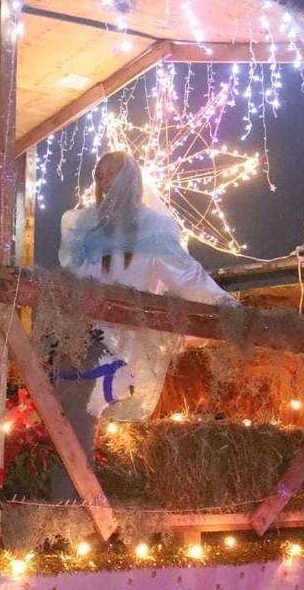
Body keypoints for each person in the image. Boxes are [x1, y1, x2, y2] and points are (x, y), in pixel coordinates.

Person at [54, 151, 234, 494]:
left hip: (130, 339)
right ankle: (73, 500)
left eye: (111, 174)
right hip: (85, 337)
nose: (103, 181)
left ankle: (94, 498)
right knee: (72, 416)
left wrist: (223, 304)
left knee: (108, 415)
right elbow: (72, 278)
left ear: (129, 180)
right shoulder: (82, 225)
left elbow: (186, 275)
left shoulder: (154, 228)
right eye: (99, 174)